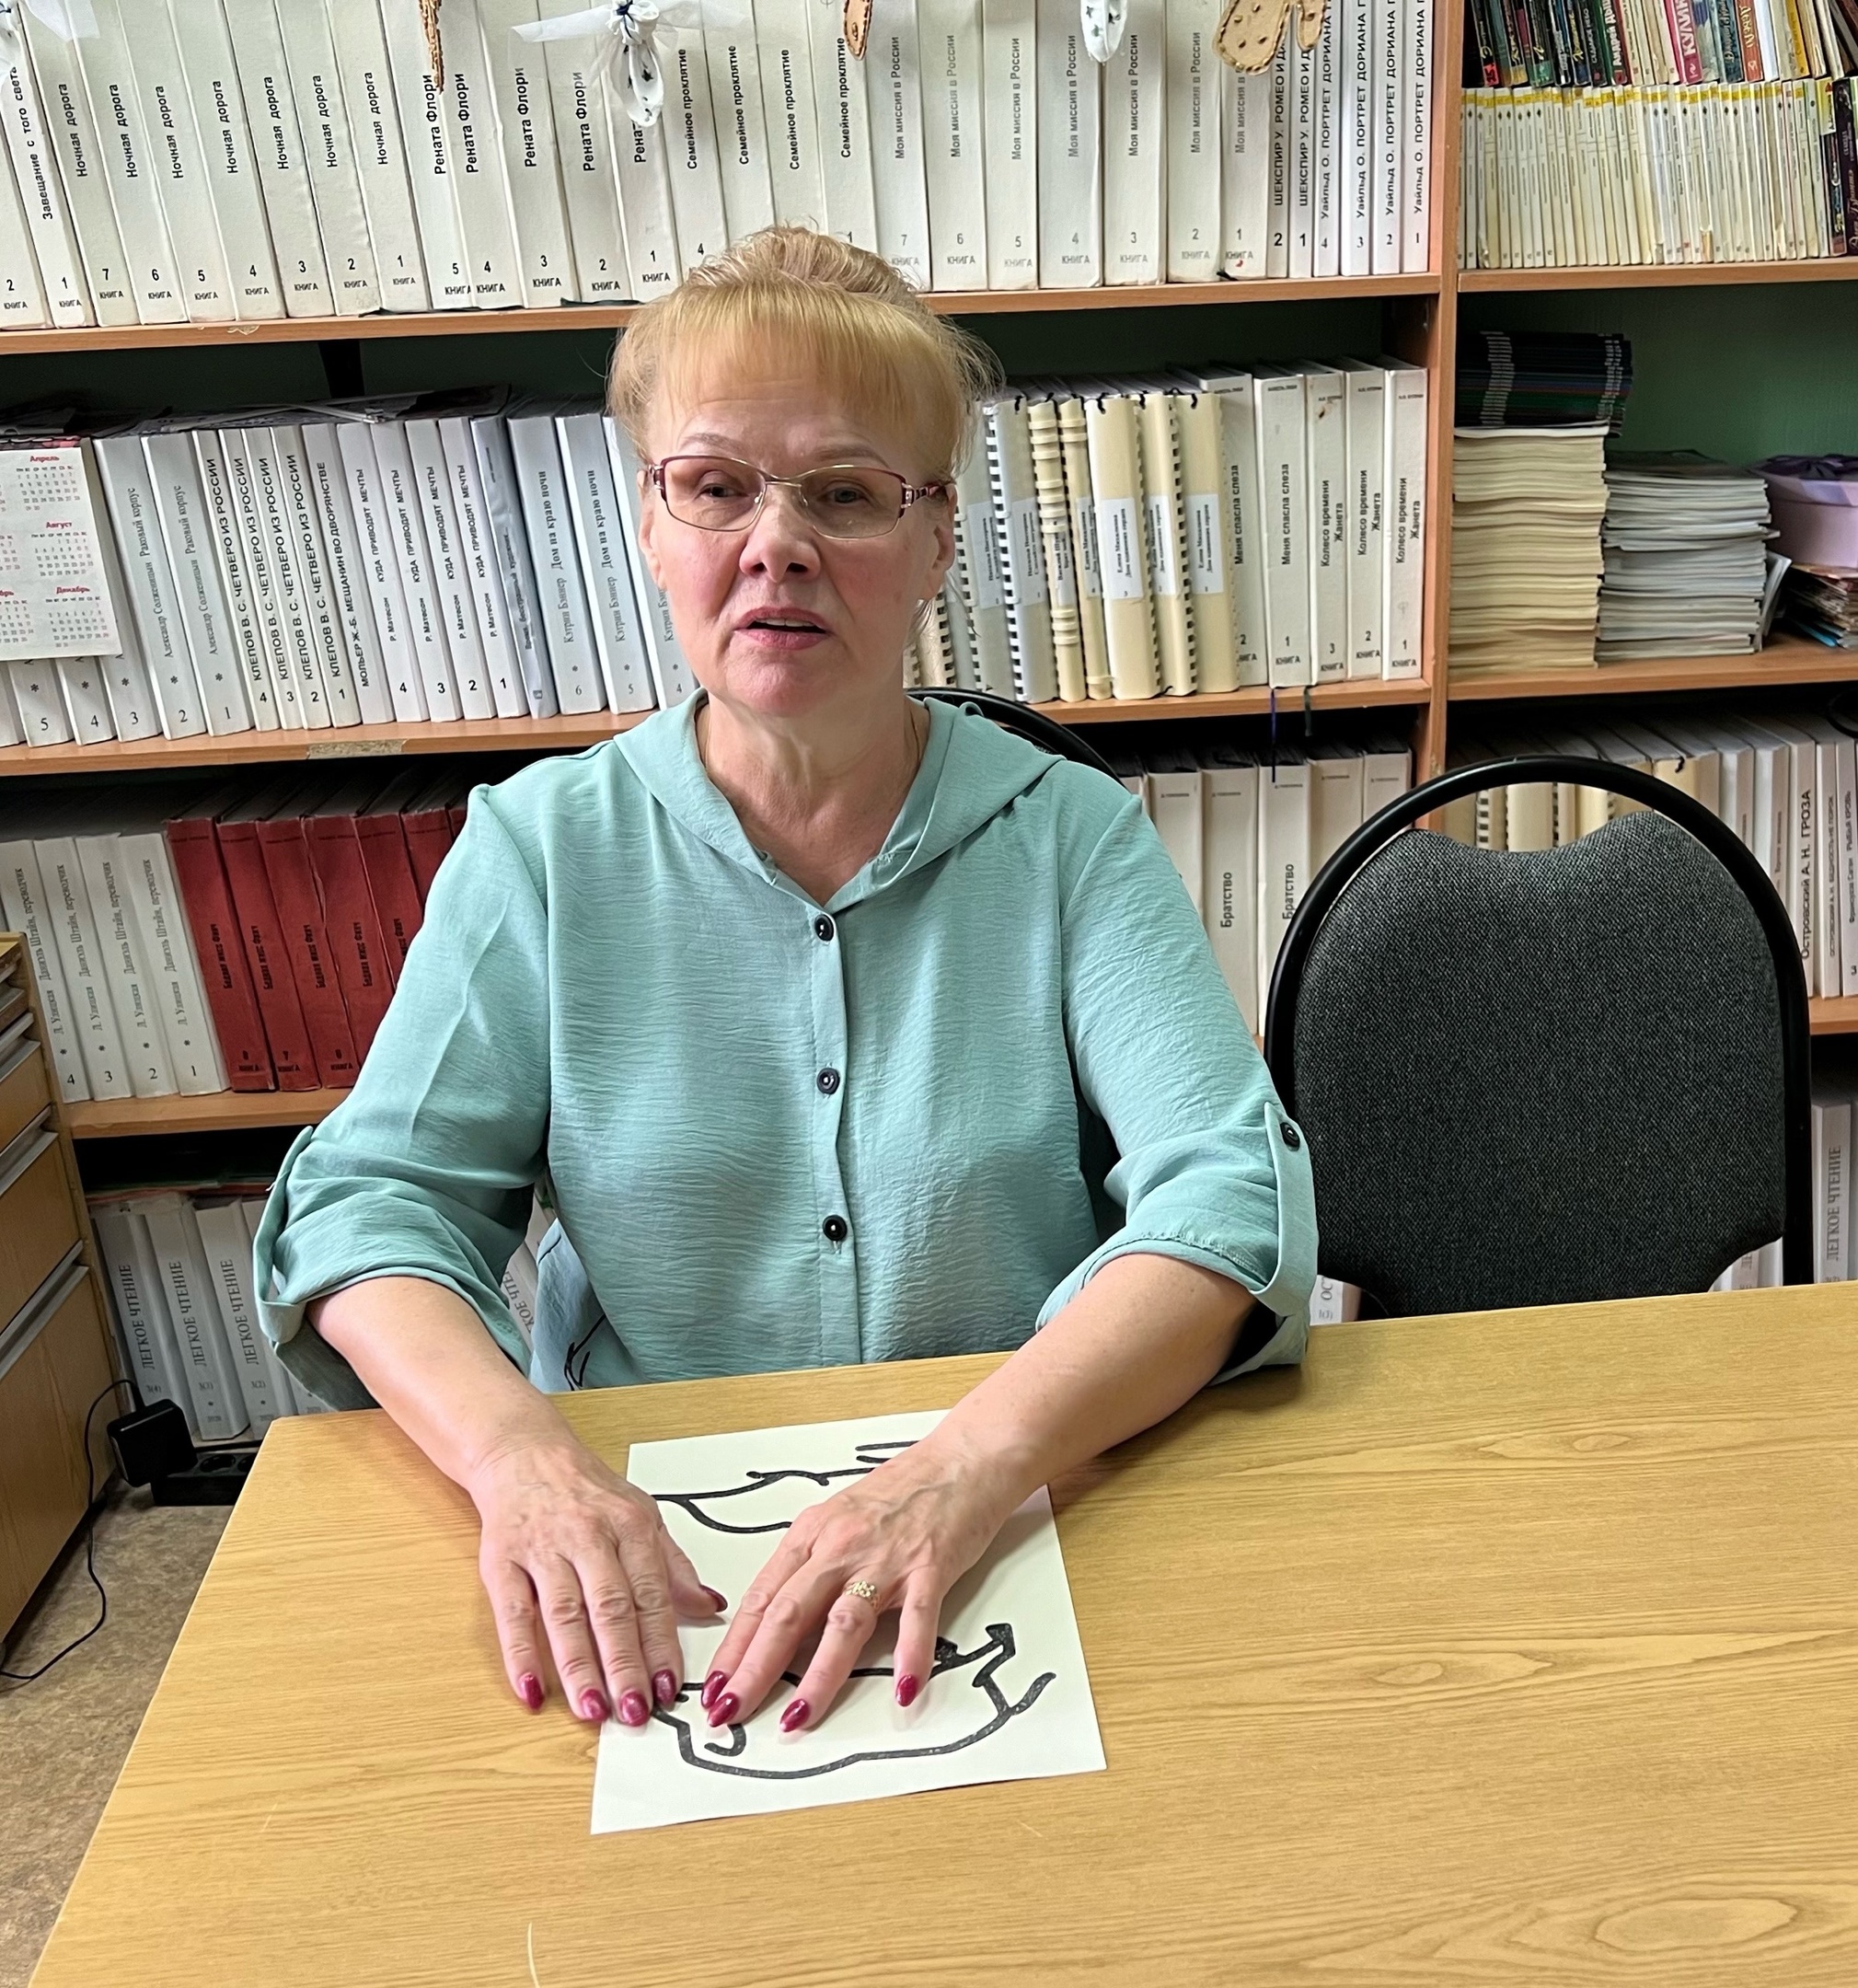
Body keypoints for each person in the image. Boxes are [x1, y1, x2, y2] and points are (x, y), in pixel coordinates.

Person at [255, 227, 1316, 1742]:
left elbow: (1229, 1201)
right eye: (715, 486)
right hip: (649, 1547)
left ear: (937, 541)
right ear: (650, 523)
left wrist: (966, 1468)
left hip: (1017, 1511)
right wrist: (520, 1464)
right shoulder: (541, 852)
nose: (777, 545)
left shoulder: (1071, 834)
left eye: (847, 493)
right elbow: (371, 1207)